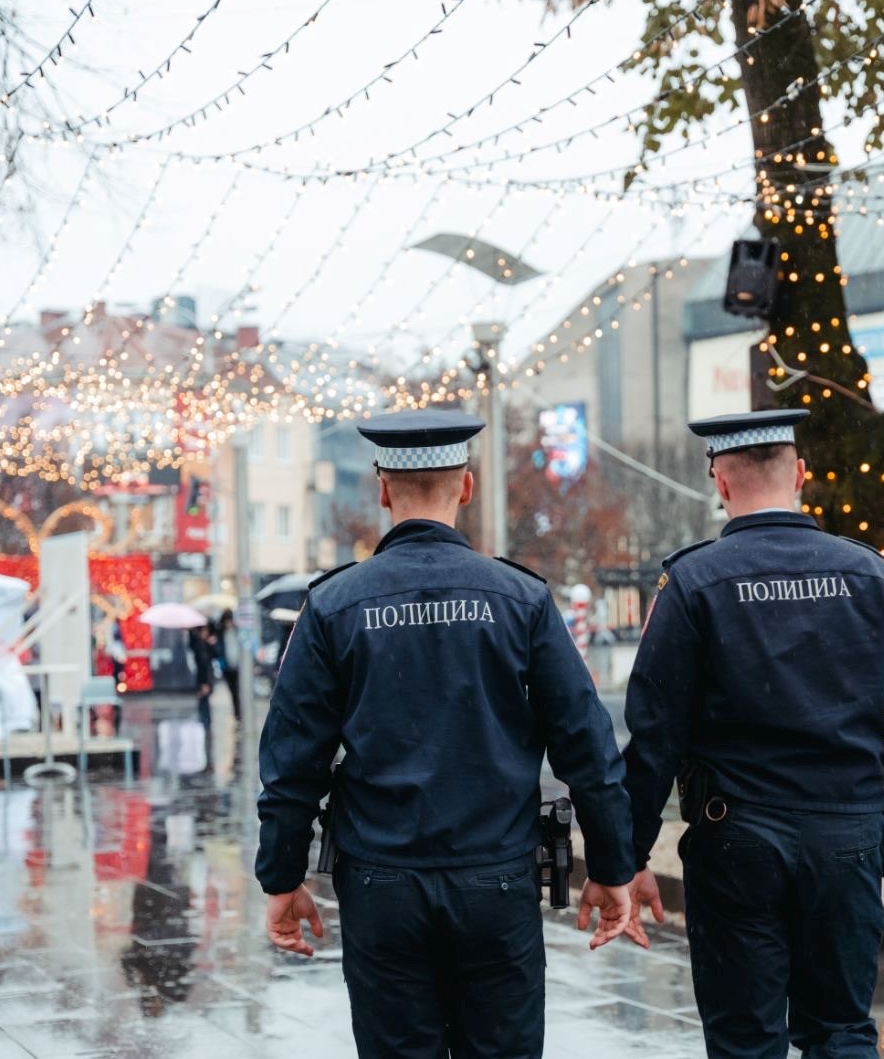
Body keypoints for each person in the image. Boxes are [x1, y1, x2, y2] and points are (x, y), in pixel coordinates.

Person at [256, 409, 639, 1059]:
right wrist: (611, 864)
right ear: (466, 486)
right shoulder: (520, 599)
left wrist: (281, 875)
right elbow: (586, 742)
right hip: (495, 878)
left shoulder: (333, 605)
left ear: (382, 490)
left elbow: (294, 758)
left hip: (382, 884)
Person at [610, 408, 884, 1059]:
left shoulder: (693, 583)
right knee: (840, 1030)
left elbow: (653, 732)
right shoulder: (870, 574)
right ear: (800, 473)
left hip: (737, 843)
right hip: (847, 839)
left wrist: (627, 855)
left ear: (720, 481)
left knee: (746, 1039)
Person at [188, 624, 217, 731]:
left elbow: (209, 666)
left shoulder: (207, 646)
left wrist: (207, 683)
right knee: (202, 703)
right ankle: (205, 724)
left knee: (205, 703)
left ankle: (206, 724)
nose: (205, 633)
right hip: (201, 680)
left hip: (206, 680)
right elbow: (201, 666)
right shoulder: (198, 645)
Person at [215, 610, 241, 721]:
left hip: (239, 667)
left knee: (239, 691)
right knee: (233, 691)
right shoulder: (220, 633)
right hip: (227, 667)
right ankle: (237, 713)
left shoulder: (238, 631)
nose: (228, 623)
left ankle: (240, 712)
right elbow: (218, 650)